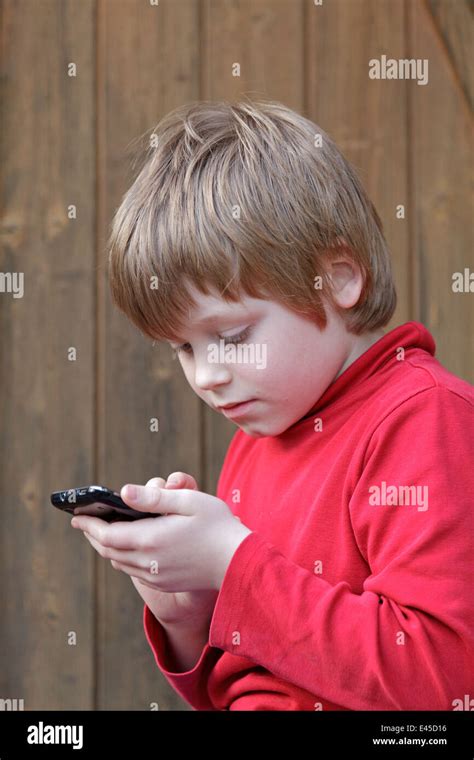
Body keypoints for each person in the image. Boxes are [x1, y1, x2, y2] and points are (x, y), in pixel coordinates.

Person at [71, 99, 474, 710]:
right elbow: (252, 685)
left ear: (338, 279)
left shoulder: (424, 419)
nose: (207, 375)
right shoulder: (255, 441)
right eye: (183, 346)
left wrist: (233, 564)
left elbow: (443, 681)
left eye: (232, 337)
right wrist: (189, 612)